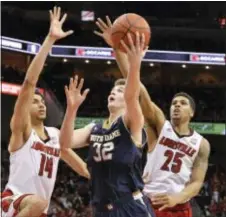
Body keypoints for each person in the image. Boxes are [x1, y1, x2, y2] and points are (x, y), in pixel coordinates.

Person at [94, 16, 210, 217]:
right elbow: (136, 89)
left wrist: (178, 197)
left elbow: (197, 182)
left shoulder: (201, 143)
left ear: (192, 112)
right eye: (174, 103)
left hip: (180, 206)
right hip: (148, 203)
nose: (176, 106)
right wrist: (117, 48)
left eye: (182, 104)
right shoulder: (159, 125)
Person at [1, 7, 89, 217]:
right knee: (39, 203)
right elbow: (30, 83)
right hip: (14, 202)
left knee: (41, 205)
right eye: (35, 101)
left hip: (38, 210)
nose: (41, 104)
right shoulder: (22, 132)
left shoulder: (56, 136)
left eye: (43, 102)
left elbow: (84, 166)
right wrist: (50, 40)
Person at [59, 33, 155, 217]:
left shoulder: (131, 122)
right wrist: (71, 109)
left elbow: (132, 96)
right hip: (101, 210)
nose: (114, 92)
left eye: (120, 91)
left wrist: (134, 64)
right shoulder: (94, 128)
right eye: (112, 90)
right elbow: (65, 144)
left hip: (131, 207)